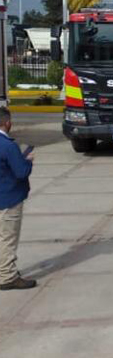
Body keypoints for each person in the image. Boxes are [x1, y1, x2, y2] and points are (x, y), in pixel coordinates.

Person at [0, 107, 36, 291]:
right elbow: (21, 172)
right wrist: (28, 160)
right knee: (8, 238)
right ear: (7, 123)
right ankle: (7, 276)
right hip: (8, 199)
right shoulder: (8, 145)